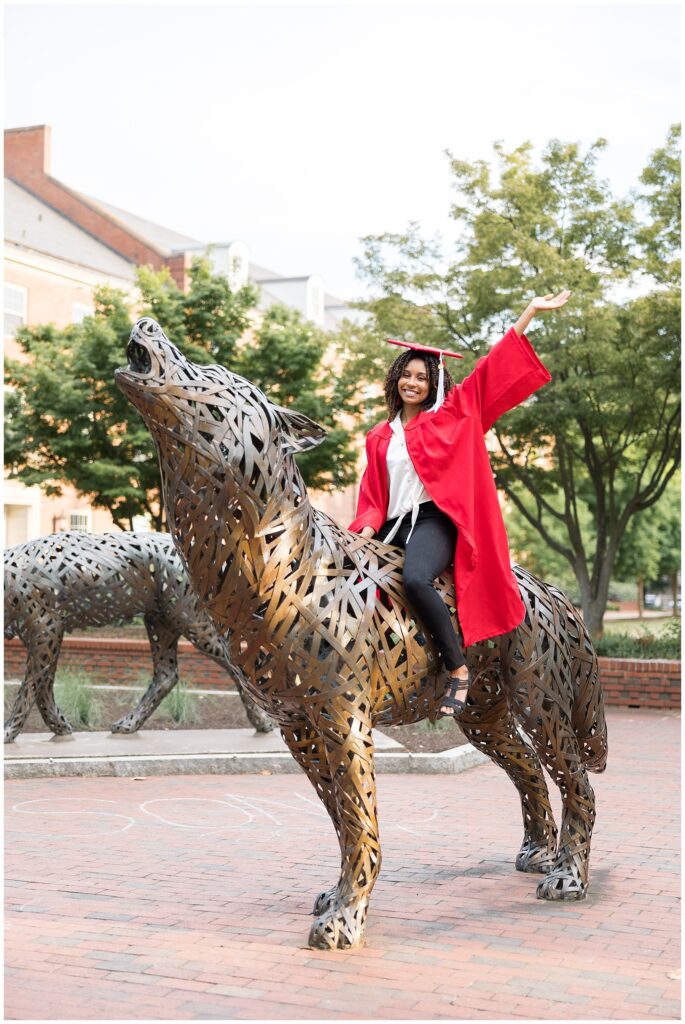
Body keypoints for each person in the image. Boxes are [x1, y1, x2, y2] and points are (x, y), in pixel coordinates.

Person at [348, 292, 569, 717]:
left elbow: (489, 373)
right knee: (352, 586)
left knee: (414, 579)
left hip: (435, 521)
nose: (412, 383)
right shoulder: (380, 435)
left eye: (422, 377)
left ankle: (457, 669)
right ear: (396, 378)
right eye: (406, 375)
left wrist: (528, 315)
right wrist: (364, 534)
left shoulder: (451, 414)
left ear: (433, 383)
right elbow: (373, 497)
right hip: (393, 524)